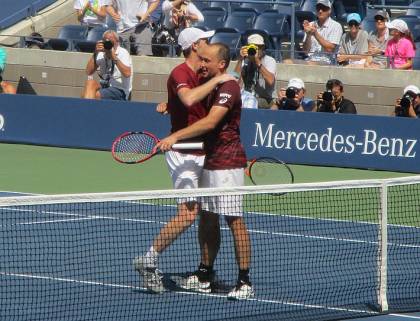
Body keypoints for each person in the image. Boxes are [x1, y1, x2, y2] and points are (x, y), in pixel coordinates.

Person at [132, 28, 235, 293]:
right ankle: (149, 260)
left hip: (208, 153)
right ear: (194, 45)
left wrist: (168, 104)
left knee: (210, 216)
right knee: (189, 213)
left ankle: (205, 273)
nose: (208, 44)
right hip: (183, 151)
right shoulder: (180, 73)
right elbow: (188, 98)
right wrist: (214, 82)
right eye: (204, 40)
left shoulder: (205, 72)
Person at [157, 42, 254, 300]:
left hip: (228, 161)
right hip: (211, 159)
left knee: (234, 220)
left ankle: (244, 280)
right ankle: (205, 274)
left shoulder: (229, 87)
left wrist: (174, 137)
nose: (202, 64)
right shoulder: (212, 83)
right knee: (208, 218)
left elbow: (210, 121)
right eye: (201, 60)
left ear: (221, 64)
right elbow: (189, 101)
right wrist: (169, 105)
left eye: (207, 61)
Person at [284, 0, 342, 65]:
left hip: (328, 62)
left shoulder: (336, 26)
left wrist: (315, 33)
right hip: (310, 59)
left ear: (329, 11)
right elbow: (306, 51)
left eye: (324, 8)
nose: (320, 11)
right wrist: (308, 35)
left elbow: (330, 49)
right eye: (318, 8)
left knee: (310, 64)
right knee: (287, 62)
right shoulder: (311, 24)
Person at [82, 30, 132, 100]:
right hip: (104, 87)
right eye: (106, 42)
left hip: (119, 90)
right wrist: (95, 53)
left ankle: (86, 109)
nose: (108, 45)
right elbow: (88, 72)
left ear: (117, 42)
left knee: (95, 95)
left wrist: (113, 56)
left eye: (111, 42)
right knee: (90, 83)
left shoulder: (122, 53)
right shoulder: (101, 54)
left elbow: (127, 74)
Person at [233, 33, 276, 109]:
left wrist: (257, 61)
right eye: (252, 47)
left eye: (258, 47)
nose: (256, 50)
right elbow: (234, 82)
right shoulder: (245, 60)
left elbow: (270, 81)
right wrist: (240, 60)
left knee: (249, 103)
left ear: (263, 47)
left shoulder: (269, 60)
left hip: (264, 99)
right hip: (246, 96)